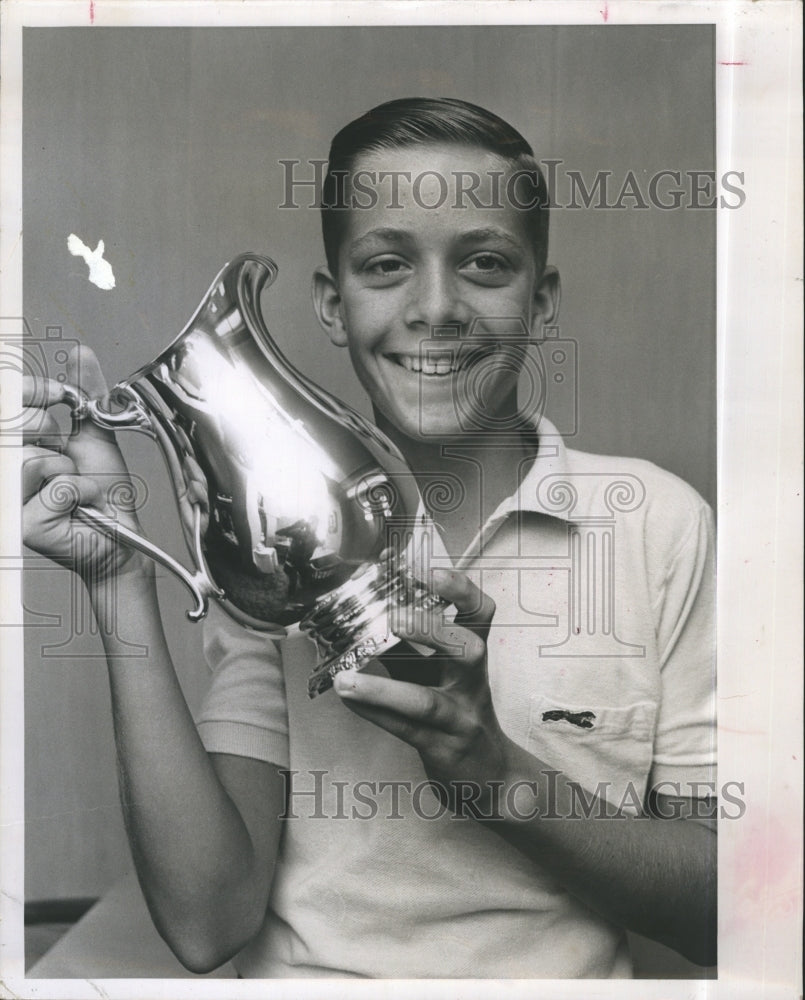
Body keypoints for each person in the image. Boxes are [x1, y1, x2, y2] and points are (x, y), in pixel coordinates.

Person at [22, 97, 716, 978]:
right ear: (332, 305)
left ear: (540, 301)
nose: (436, 308)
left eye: (485, 264)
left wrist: (494, 775)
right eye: (386, 265)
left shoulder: (658, 524)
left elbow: (721, 915)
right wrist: (117, 577)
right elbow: (205, 921)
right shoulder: (279, 545)